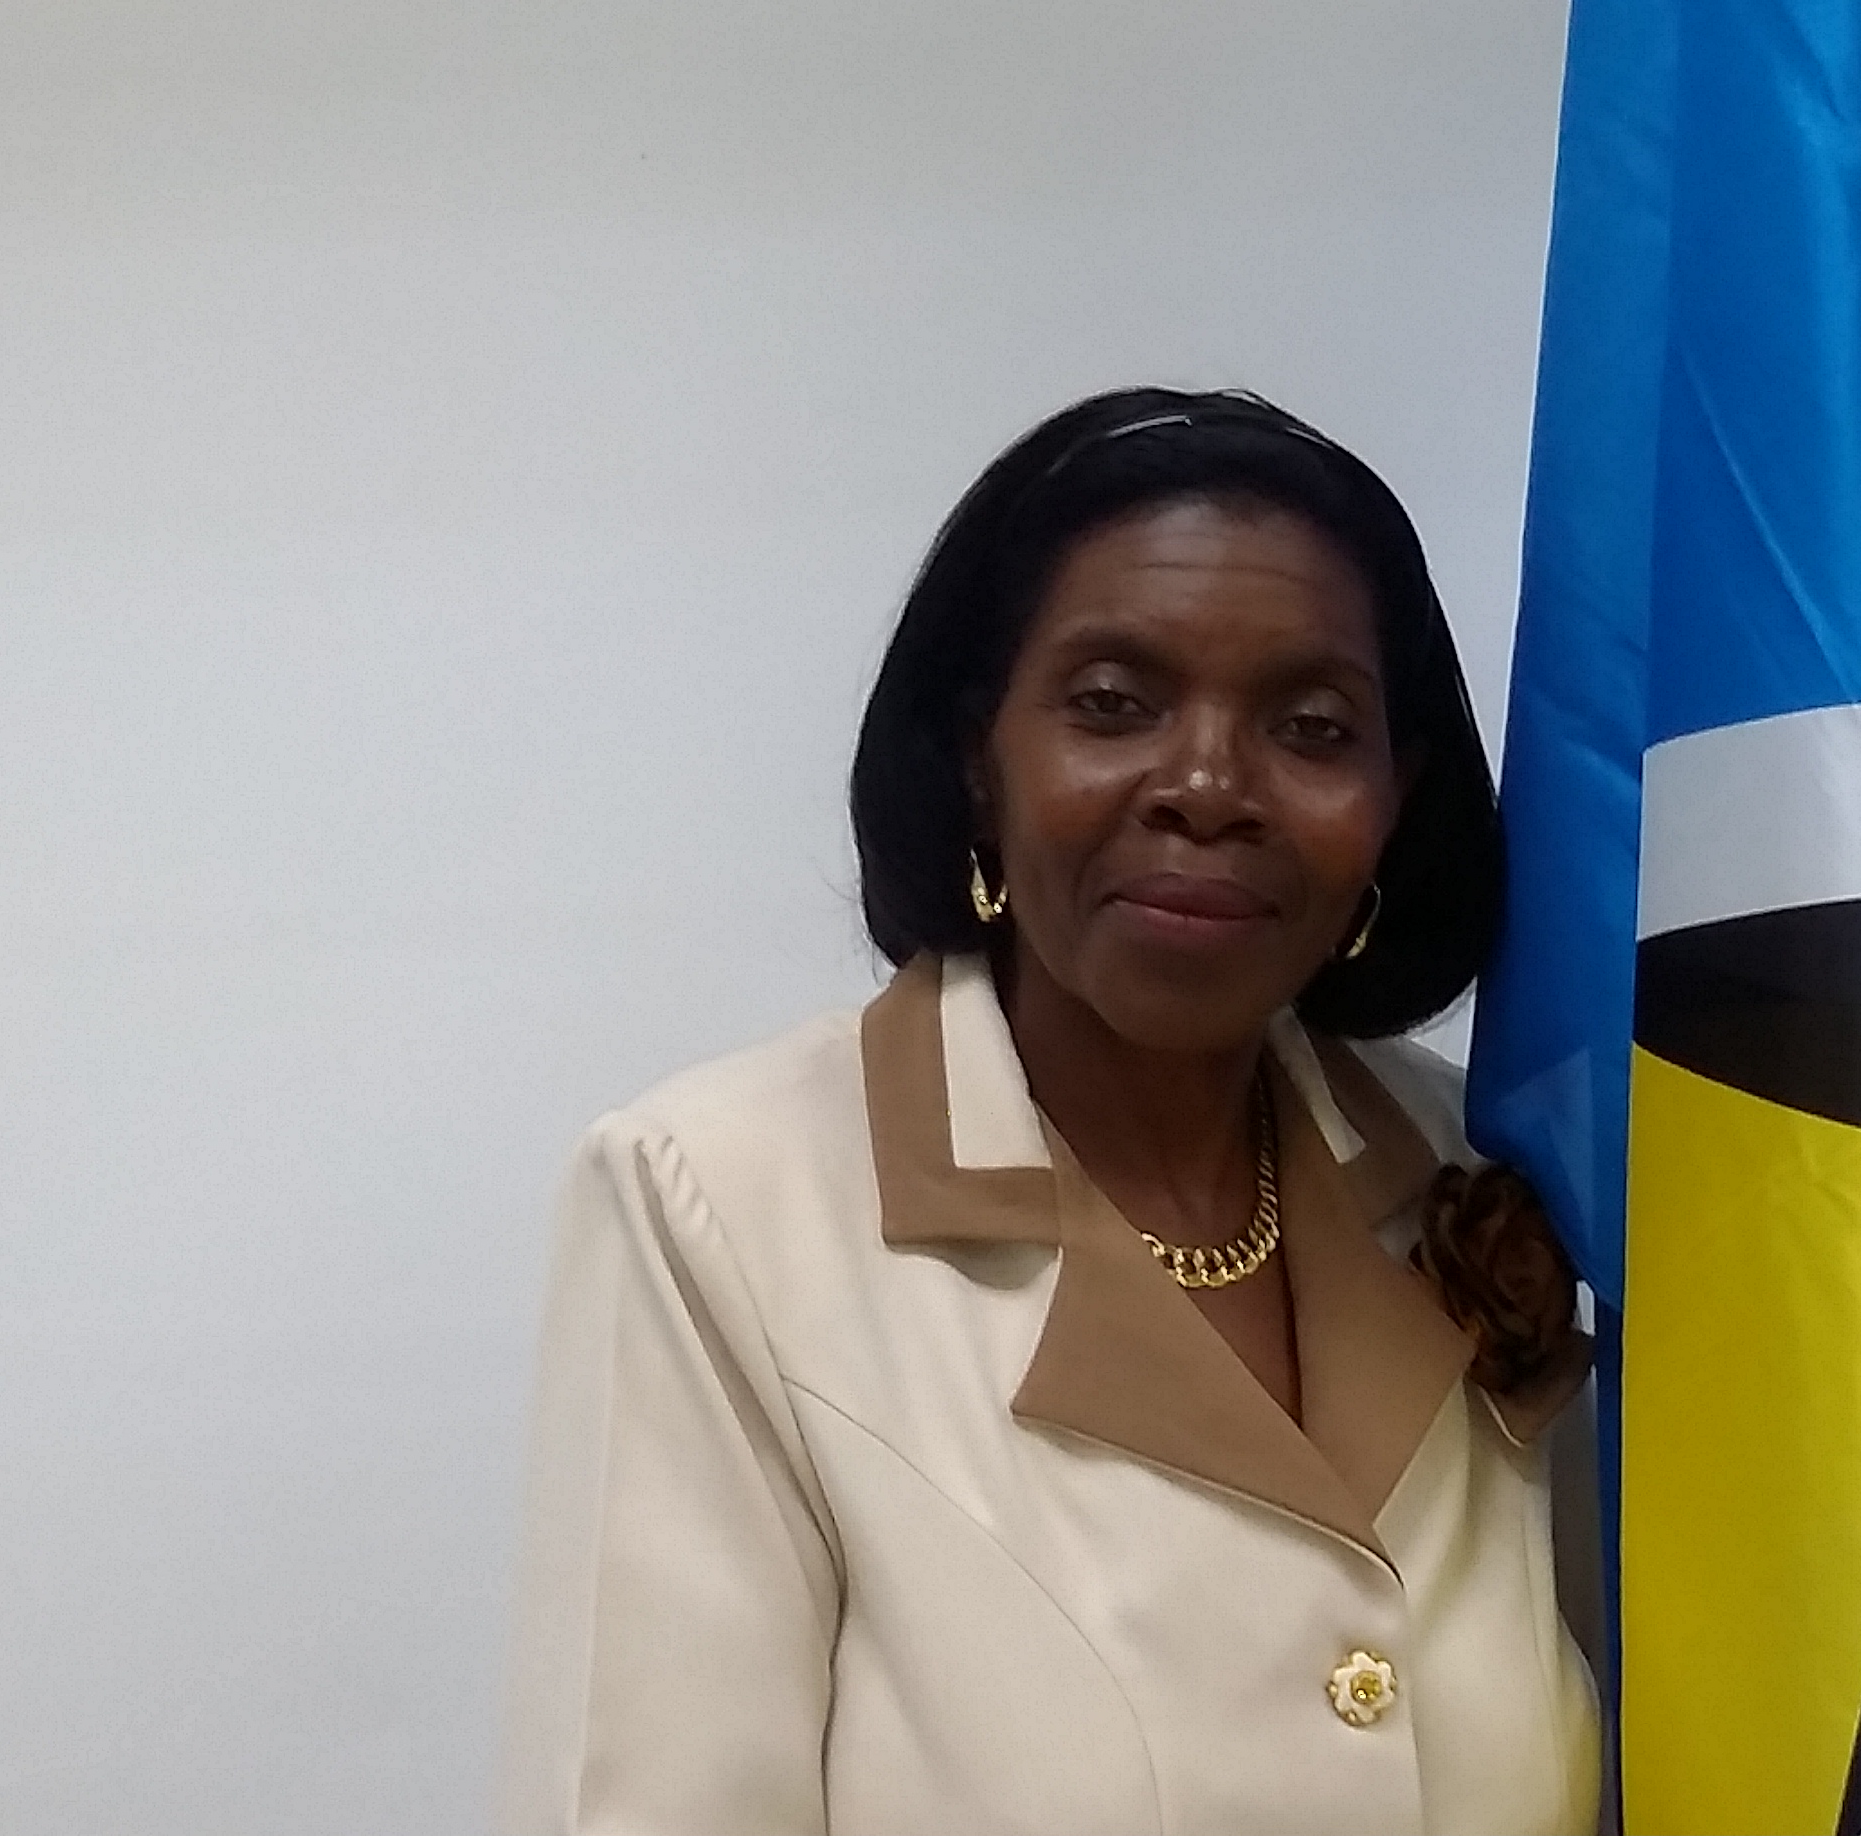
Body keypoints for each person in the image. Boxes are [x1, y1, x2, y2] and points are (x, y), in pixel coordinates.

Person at [497, 388, 1600, 1835]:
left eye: (1313, 727)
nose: (1208, 786)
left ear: (1396, 798)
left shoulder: (1487, 1169)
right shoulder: (717, 1206)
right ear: (980, 756)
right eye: (1113, 705)